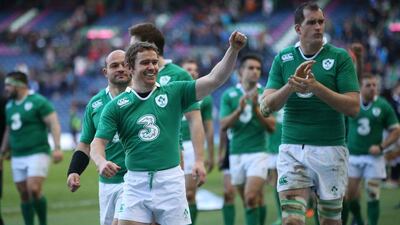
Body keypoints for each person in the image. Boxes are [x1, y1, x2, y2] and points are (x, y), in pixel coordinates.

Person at [90, 31, 246, 225]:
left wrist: (233, 50)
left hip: (170, 182)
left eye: (154, 62)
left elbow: (214, 79)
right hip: (135, 183)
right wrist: (101, 162)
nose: (152, 67)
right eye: (145, 62)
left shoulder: (175, 91)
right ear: (130, 68)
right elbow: (97, 143)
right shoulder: (116, 106)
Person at [260, 2, 360, 225]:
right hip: (293, 151)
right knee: (292, 221)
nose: (318, 27)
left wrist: (316, 88)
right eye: (312, 22)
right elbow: (266, 107)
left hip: (331, 150)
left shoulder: (339, 58)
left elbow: (353, 107)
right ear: (298, 29)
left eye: (321, 22)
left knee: (329, 222)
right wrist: (291, 86)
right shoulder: (283, 58)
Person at [128, 23, 207, 223]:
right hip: (138, 155)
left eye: (133, 44)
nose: (129, 48)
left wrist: (199, 159)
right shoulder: (133, 75)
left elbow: (195, 119)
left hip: (172, 152)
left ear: (150, 44)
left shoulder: (179, 75)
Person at [66, 50, 131, 225]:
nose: (121, 69)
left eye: (125, 64)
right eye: (114, 65)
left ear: (131, 67)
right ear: (105, 72)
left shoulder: (143, 96)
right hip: (108, 182)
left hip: (136, 179)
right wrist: (74, 170)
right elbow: (85, 144)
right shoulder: (95, 104)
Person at [0, 71, 63, 225]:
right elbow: (9, 130)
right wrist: (3, 151)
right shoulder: (9, 106)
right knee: (23, 194)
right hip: (18, 155)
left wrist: (57, 147)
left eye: (9, 85)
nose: (6, 88)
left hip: (37, 152)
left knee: (33, 189)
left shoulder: (38, 101)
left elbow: (53, 123)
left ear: (19, 85)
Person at [220, 54, 275, 225]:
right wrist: (239, 110)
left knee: (251, 197)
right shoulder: (229, 95)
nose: (255, 72)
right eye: (251, 68)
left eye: (258, 69)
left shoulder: (265, 94)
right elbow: (223, 125)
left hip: (258, 152)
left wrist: (257, 110)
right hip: (236, 153)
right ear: (240, 72)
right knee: (251, 201)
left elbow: (272, 127)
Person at [342, 74, 400, 225]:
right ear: (360, 88)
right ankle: (359, 220)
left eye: (375, 85)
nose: (373, 88)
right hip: (353, 156)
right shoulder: (351, 103)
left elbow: (396, 130)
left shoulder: (383, 105)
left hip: (374, 158)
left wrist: (381, 146)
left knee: (372, 193)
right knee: (349, 196)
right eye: (368, 85)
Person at [180, 59, 215, 225]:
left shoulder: (205, 98)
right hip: (173, 146)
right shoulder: (172, 91)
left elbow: (208, 128)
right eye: (188, 68)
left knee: (189, 194)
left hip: (192, 147)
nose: (191, 72)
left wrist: (210, 155)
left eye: (194, 70)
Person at [265, 109, 282, 225]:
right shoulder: (271, 94)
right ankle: (281, 215)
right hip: (273, 148)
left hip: (292, 145)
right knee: (277, 183)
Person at [218, 128, 236, 225]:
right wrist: (220, 152)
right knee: (228, 194)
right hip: (230, 153)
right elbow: (223, 128)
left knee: (253, 197)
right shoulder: (226, 111)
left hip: (252, 151)